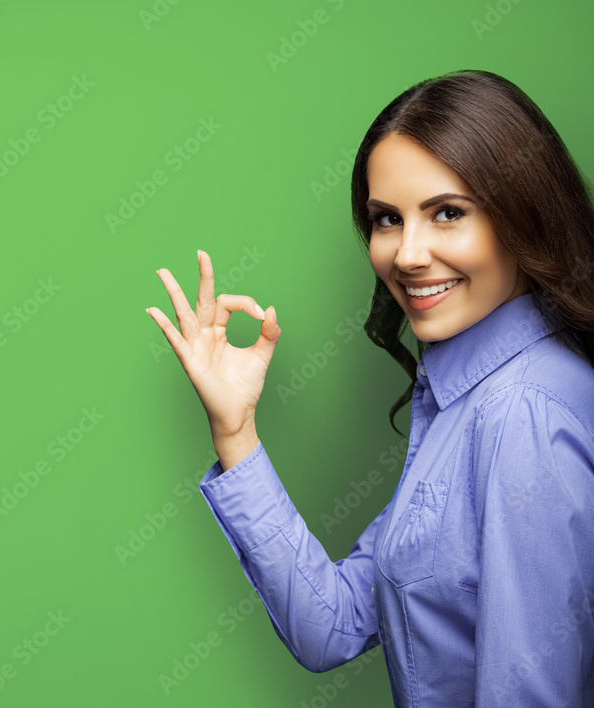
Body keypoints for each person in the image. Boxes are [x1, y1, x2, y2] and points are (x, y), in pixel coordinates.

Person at [146, 69, 594, 706]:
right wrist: (236, 432)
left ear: (523, 216)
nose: (407, 254)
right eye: (387, 219)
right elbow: (333, 627)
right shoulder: (467, 400)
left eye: (447, 213)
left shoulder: (522, 411)